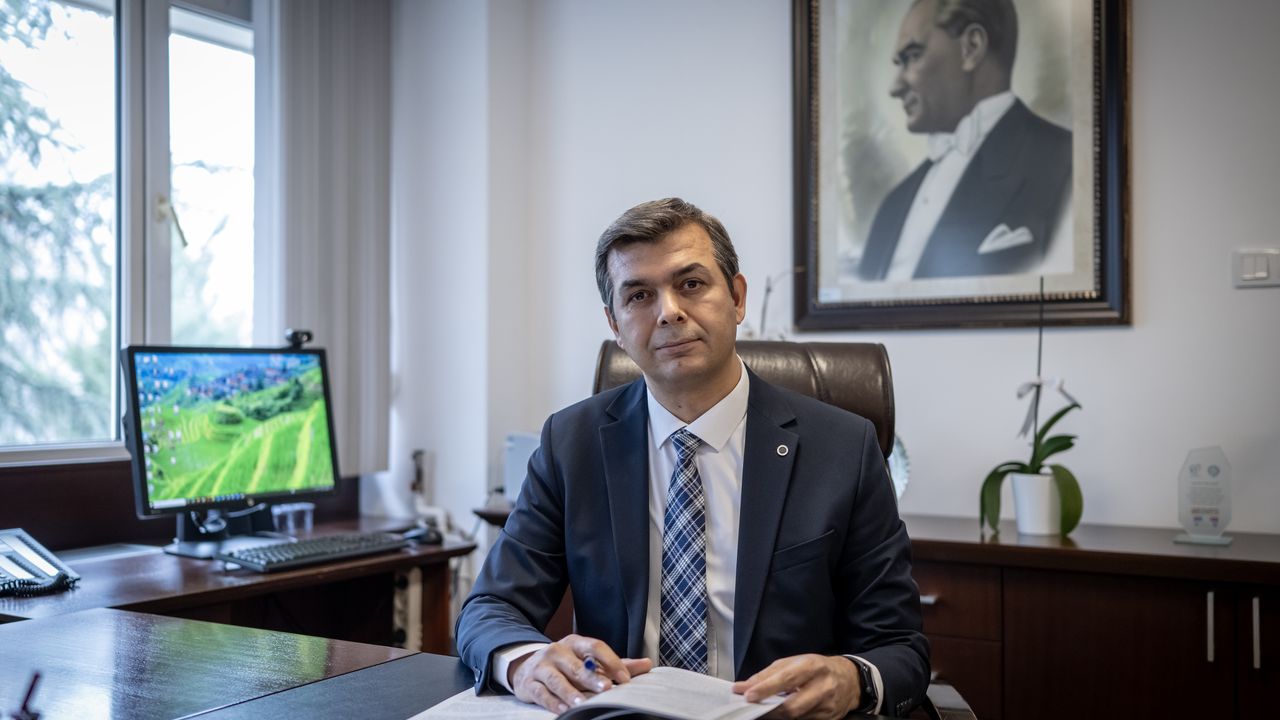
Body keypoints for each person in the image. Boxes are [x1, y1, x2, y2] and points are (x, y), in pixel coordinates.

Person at [455, 198, 929, 718]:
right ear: (615, 324)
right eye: (639, 295)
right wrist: (525, 662)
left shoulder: (843, 448)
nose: (669, 311)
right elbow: (491, 607)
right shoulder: (572, 442)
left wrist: (852, 678)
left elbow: (900, 646)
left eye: (691, 283)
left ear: (737, 297)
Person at [858, 0, 1073, 281]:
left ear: (971, 48)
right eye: (899, 64)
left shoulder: (1066, 163)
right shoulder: (893, 205)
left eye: (913, 56)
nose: (895, 87)